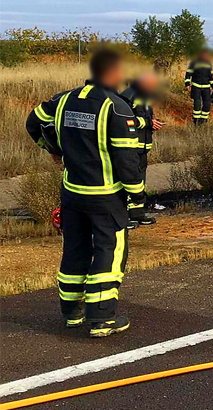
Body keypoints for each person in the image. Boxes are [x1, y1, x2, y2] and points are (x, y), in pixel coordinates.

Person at [25, 48, 144, 337]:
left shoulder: (63, 100)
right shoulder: (115, 107)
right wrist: (138, 197)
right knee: (109, 251)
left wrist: (53, 150)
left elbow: (33, 123)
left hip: (72, 194)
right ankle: (102, 318)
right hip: (105, 197)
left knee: (75, 250)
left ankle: (71, 313)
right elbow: (127, 161)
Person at [120, 71, 164, 228]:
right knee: (129, 180)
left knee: (139, 181)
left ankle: (137, 213)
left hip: (143, 148)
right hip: (130, 147)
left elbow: (145, 120)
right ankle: (123, 216)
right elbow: (125, 121)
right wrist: (147, 122)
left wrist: (152, 122)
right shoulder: (128, 96)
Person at [185, 49, 213, 125]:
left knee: (207, 103)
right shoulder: (194, 63)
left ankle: (203, 120)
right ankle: (196, 120)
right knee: (197, 103)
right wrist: (187, 84)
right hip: (196, 86)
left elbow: (210, 76)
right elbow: (188, 74)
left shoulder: (209, 64)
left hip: (206, 87)